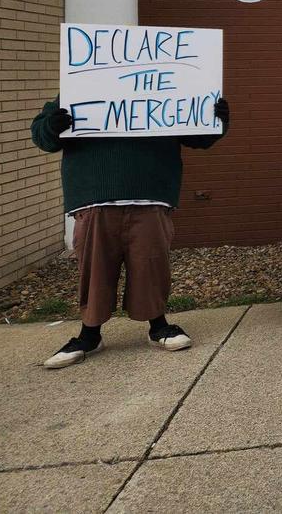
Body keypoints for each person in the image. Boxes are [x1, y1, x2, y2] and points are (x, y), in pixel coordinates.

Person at [30, 95, 230, 369]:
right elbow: (43, 137)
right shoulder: (79, 84)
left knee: (152, 265)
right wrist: (53, 125)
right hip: (94, 195)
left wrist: (214, 118)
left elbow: (199, 138)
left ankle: (158, 326)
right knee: (95, 269)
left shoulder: (171, 85)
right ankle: (89, 334)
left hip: (150, 193)